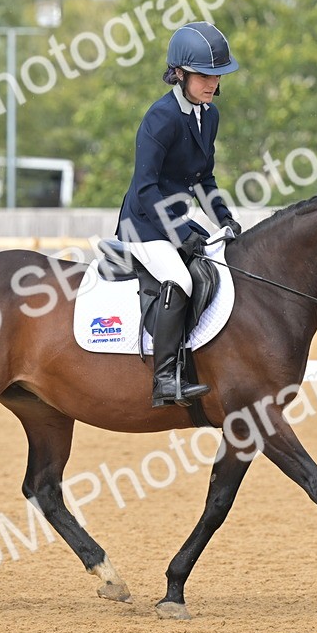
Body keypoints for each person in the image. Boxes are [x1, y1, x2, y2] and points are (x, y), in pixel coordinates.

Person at [115, 21, 242, 408]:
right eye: (205, 75)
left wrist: (223, 217)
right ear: (180, 73)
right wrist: (180, 232)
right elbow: (145, 188)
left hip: (175, 218)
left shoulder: (209, 115)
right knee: (180, 278)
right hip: (143, 223)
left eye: (217, 76)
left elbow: (204, 178)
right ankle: (165, 378)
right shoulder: (161, 117)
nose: (213, 84)